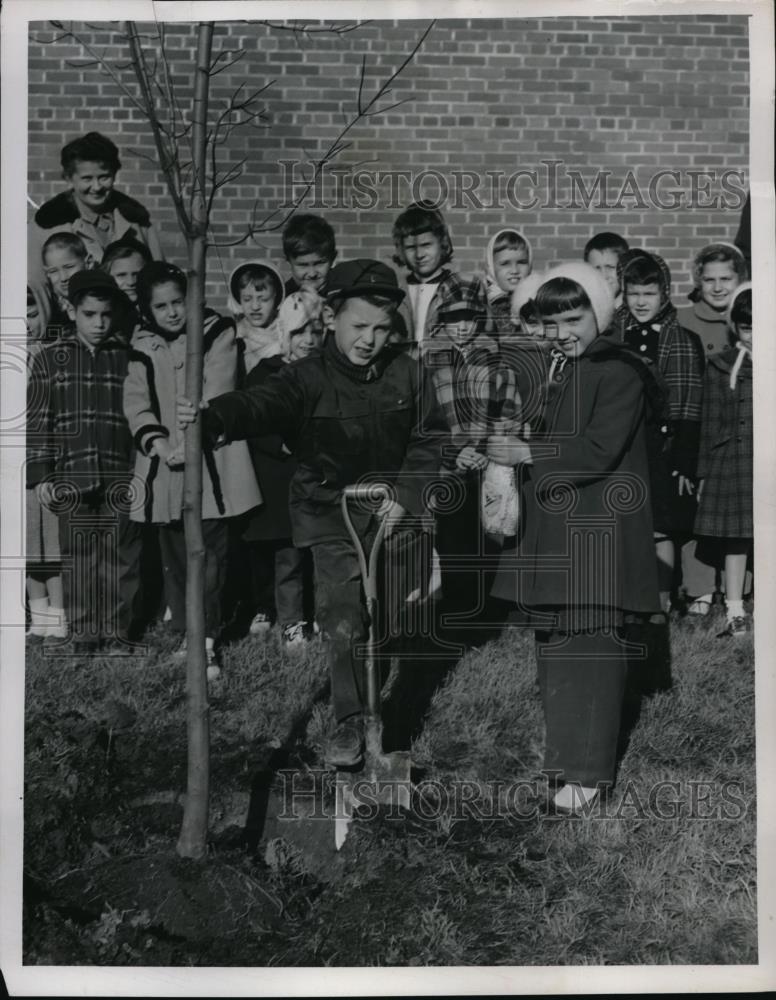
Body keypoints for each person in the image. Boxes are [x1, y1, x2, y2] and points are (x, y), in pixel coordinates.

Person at [178, 260, 448, 766]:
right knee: (343, 616)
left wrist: (406, 496)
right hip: (330, 511)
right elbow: (261, 404)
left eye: (381, 328)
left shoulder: (408, 374)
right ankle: (350, 723)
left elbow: (429, 437)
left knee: (385, 619)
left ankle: (378, 706)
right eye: (359, 326)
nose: (369, 339)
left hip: (391, 511)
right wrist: (215, 416)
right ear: (331, 317)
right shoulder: (304, 376)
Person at [491, 262, 660, 814]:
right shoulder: (563, 369)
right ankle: (566, 764)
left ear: (600, 313)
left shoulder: (620, 371)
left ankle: (587, 777)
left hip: (598, 530)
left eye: (574, 316)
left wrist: (527, 453)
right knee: (557, 647)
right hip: (562, 528)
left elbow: (598, 451)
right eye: (552, 320)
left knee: (589, 648)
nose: (564, 330)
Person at [123, 262, 261, 676]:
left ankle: (206, 638)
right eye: (161, 306)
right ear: (148, 310)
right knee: (176, 554)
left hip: (211, 458)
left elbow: (219, 388)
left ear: (192, 298)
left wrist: (192, 437)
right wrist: (162, 445)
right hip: (164, 465)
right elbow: (136, 401)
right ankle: (186, 629)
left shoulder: (217, 332)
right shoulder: (143, 343)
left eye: (178, 302)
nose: (171, 313)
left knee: (209, 553)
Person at [26, 270, 141, 652]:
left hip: (119, 472)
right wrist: (42, 475)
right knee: (78, 555)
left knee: (119, 557)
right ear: (71, 311)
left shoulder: (127, 359)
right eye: (90, 314)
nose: (99, 323)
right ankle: (84, 631)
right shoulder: (49, 361)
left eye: (105, 315)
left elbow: (138, 415)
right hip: (71, 475)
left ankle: (116, 630)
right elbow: (39, 420)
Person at [422, 297, 523, 640]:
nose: (463, 327)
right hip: (446, 469)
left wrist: (488, 449)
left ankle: (486, 614)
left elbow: (509, 412)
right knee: (450, 541)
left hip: (489, 465)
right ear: (442, 320)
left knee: (488, 539)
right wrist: (454, 452)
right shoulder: (426, 362)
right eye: (454, 318)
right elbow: (422, 421)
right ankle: (454, 612)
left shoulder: (496, 363)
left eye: (470, 318)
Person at [613, 249, 704, 613]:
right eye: (633, 293)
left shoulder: (680, 339)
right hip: (622, 439)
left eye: (648, 293)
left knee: (660, 526)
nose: (640, 302)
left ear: (664, 293)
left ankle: (661, 603)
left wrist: (683, 458)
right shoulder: (614, 333)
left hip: (661, 444)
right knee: (624, 523)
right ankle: (626, 599)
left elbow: (689, 402)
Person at [242, 288, 323, 643]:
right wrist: (282, 442)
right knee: (287, 556)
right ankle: (291, 623)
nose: (307, 340)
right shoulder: (266, 373)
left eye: (314, 331)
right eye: (298, 332)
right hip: (280, 480)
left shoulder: (325, 370)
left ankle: (324, 617)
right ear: (283, 334)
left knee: (322, 555)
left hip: (318, 479)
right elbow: (252, 420)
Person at [676, 242, 748, 613]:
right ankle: (701, 587)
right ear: (697, 281)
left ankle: (741, 588)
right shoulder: (683, 320)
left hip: (738, 430)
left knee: (740, 515)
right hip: (698, 426)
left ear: (741, 278)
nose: (718, 287)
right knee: (697, 513)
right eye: (709, 279)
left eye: (727, 278)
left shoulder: (750, 318)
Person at [28, 132, 163, 312]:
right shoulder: (47, 225)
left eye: (104, 176)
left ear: (114, 174)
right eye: (87, 179)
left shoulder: (136, 220)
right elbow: (35, 289)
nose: (97, 187)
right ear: (69, 179)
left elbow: (159, 279)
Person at [694, 283, 753, 639]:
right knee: (737, 539)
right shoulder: (720, 366)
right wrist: (703, 473)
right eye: (747, 327)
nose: (756, 334)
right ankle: (734, 610)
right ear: (735, 327)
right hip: (733, 463)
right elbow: (709, 423)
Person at [25, 285, 66, 643]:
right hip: (12, 465)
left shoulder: (53, 354)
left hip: (42, 461)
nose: (25, 323)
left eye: (32, 312)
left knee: (50, 545)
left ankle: (59, 615)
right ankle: (37, 617)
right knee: (25, 546)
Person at [392, 201, 469, 344]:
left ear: (442, 243)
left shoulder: (460, 288)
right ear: (401, 250)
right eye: (410, 247)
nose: (419, 254)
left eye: (426, 245)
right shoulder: (396, 291)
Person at [227, 261, 286, 376]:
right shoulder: (234, 336)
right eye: (247, 299)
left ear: (276, 299)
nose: (255, 307)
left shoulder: (286, 334)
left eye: (264, 299)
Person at [480, 227, 534, 335]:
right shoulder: (487, 304)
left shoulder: (536, 297)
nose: (514, 270)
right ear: (491, 267)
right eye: (505, 264)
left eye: (521, 262)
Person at [41, 232, 92, 328]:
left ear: (88, 262)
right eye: (53, 271)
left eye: (69, 267)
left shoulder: (102, 300)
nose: (63, 278)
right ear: (47, 273)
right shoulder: (50, 311)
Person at [281, 214, 338, 297]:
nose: (312, 274)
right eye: (303, 265)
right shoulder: (281, 299)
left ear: (332, 259)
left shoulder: (344, 295)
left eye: (319, 263)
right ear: (289, 263)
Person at [583, 231, 630, 309]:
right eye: (596, 269)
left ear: (624, 268)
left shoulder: (638, 310)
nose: (603, 276)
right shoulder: (584, 310)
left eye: (610, 267)